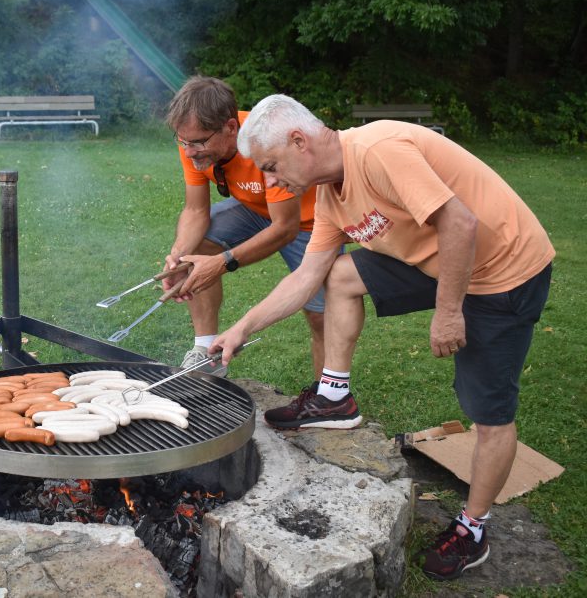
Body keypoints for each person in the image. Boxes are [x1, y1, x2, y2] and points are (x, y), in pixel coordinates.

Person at [212, 94, 553, 580]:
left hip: (502, 271)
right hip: (438, 259)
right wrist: (240, 329)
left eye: (270, 167)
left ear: (299, 141)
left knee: (489, 413)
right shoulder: (329, 195)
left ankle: (473, 527)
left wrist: (449, 312)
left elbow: (460, 222)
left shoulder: (378, 151)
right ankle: (334, 396)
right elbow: (307, 277)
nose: (270, 182)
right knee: (339, 275)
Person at [162, 76, 329, 378]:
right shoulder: (191, 140)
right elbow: (196, 210)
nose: (189, 151)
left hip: (307, 221)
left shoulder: (264, 139)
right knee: (196, 247)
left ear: (230, 127)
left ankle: (327, 393)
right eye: (183, 141)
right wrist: (178, 256)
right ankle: (206, 353)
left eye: (198, 142)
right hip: (256, 208)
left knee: (321, 317)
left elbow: (285, 228)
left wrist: (222, 262)